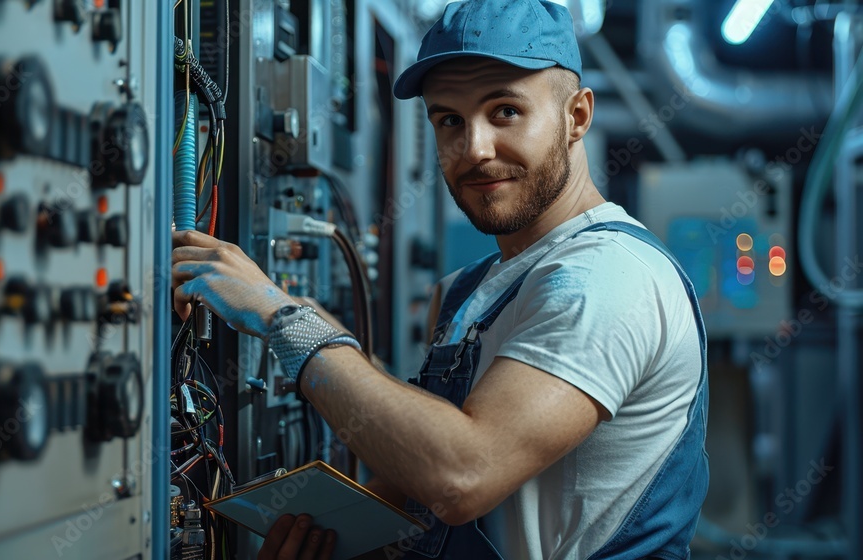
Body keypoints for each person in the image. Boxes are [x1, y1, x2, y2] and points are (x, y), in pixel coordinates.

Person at [171, 0, 710, 558]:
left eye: (505, 111)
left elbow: (463, 476)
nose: (475, 149)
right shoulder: (471, 291)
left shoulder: (607, 276)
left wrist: (282, 319)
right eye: (449, 119)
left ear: (577, 117)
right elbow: (422, 497)